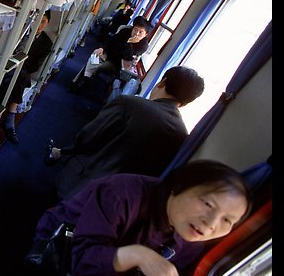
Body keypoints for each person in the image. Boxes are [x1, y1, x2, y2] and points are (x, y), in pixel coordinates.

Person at [26, 160, 252, 276]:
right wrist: (139, 255)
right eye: (208, 204)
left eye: (228, 221)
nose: (211, 223)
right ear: (178, 187)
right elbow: (81, 262)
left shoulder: (195, 238)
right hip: (60, 245)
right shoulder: (122, 192)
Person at [49, 65, 205, 199]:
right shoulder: (182, 134)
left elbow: (88, 136)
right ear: (185, 103)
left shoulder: (129, 103)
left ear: (162, 82)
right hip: (122, 197)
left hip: (83, 182)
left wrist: (66, 151)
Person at [0, 10, 53, 145]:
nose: (39, 24)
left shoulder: (46, 43)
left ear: (48, 23)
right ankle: (9, 116)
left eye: (43, 21)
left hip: (22, 72)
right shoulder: (20, 32)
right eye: (37, 20)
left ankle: (3, 114)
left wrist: (18, 66)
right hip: (7, 65)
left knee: (20, 76)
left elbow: (35, 67)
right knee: (17, 77)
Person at [71, 15, 151, 93]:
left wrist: (129, 43)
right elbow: (111, 41)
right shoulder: (125, 31)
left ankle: (84, 80)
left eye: (141, 32)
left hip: (117, 63)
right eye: (135, 29)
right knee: (95, 55)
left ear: (145, 34)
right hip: (108, 53)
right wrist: (102, 48)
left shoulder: (143, 46)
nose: (136, 33)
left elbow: (126, 56)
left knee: (99, 65)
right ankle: (85, 79)